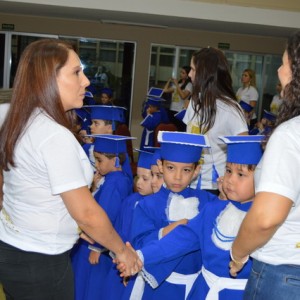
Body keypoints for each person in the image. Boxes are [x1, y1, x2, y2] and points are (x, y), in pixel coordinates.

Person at [0, 39, 141, 299]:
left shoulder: (17, 116)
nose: (86, 81)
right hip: (41, 262)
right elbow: (86, 212)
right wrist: (122, 251)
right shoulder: (53, 136)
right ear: (48, 79)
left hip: (13, 249)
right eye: (76, 72)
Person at [119, 135, 264, 299]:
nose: (230, 180)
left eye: (240, 174)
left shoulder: (269, 219)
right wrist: (140, 257)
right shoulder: (213, 209)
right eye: (228, 171)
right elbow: (180, 239)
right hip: (202, 291)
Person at [229, 30, 300, 300]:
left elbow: (266, 218)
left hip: (285, 274)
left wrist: (238, 252)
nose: (280, 70)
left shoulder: (291, 134)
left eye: (284, 64)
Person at [129, 131, 216, 299]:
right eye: (170, 168)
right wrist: (170, 229)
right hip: (160, 287)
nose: (177, 176)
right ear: (160, 166)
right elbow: (139, 243)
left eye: (186, 170)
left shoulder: (208, 202)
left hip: (198, 287)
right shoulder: (147, 205)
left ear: (196, 170)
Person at [72, 134, 134, 300]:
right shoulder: (115, 179)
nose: (97, 165)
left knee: (90, 285)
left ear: (115, 161)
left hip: (97, 243)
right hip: (99, 241)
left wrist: (97, 248)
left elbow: (107, 214)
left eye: (99, 160)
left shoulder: (115, 183)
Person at [183, 47, 248, 194]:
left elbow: (244, 150)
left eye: (193, 69)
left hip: (216, 187)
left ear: (204, 74)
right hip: (191, 181)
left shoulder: (230, 109)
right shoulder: (194, 102)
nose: (189, 74)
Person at [102, 149, 154, 300]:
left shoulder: (157, 206)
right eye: (138, 177)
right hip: (123, 259)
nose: (138, 183)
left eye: (145, 179)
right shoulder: (130, 201)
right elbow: (118, 230)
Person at [163, 66, 192, 131]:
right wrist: (169, 81)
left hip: (179, 111)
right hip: (172, 110)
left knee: (180, 129)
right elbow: (165, 90)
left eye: (183, 73)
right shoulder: (178, 84)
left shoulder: (189, 85)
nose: (181, 74)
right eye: (180, 72)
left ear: (187, 75)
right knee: (172, 129)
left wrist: (176, 85)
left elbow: (183, 96)